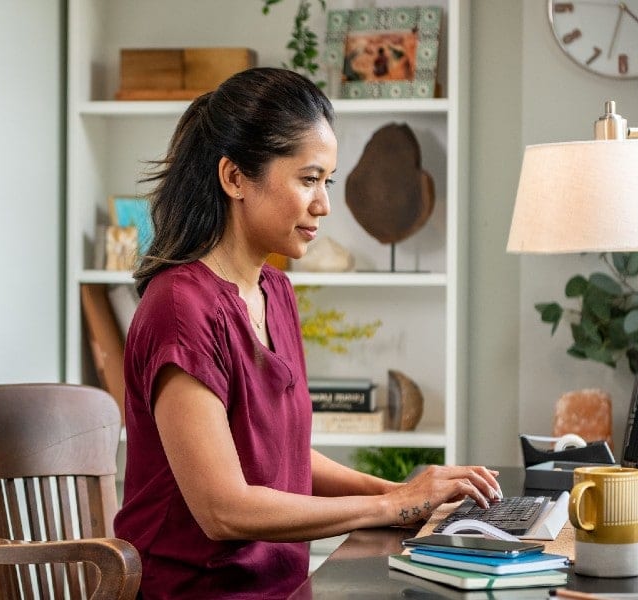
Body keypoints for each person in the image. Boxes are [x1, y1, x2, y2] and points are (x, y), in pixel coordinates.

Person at [111, 67, 501, 599]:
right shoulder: (181, 310)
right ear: (234, 178)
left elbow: (284, 460)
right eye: (308, 179)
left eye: (327, 181)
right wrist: (393, 506)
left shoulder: (276, 290)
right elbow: (223, 510)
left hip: (287, 589)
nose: (325, 205)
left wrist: (410, 496)